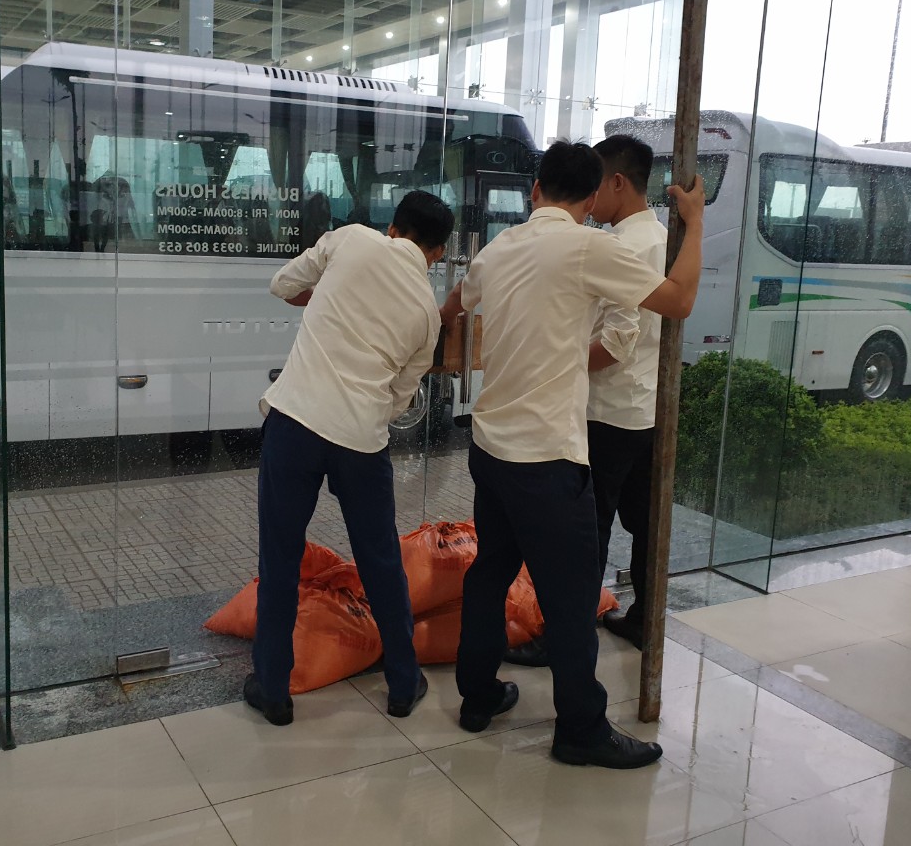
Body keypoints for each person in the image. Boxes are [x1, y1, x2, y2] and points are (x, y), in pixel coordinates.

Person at [440, 140, 705, 768]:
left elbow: (454, 307)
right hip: (547, 457)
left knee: (490, 573)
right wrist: (694, 223)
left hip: (490, 447)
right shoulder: (589, 247)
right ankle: (581, 730)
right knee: (571, 593)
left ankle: (478, 696)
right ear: (590, 200)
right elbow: (679, 301)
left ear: (535, 190)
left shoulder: (499, 248)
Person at [246, 190, 456, 726]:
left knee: (280, 557)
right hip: (361, 441)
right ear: (437, 253)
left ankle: (273, 689)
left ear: (393, 228)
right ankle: (403, 683)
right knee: (380, 560)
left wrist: (325, 298)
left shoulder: (352, 240)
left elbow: (282, 285)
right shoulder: (427, 315)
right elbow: (401, 398)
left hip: (295, 422)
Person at [586, 136, 669, 651]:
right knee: (645, 524)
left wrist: (560, 365)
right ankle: (644, 619)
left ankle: (569, 636)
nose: (588, 196)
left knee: (589, 527)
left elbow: (614, 342)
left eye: (594, 183)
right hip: (647, 408)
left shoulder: (620, 247)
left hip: (607, 409)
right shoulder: (664, 239)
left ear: (618, 182)